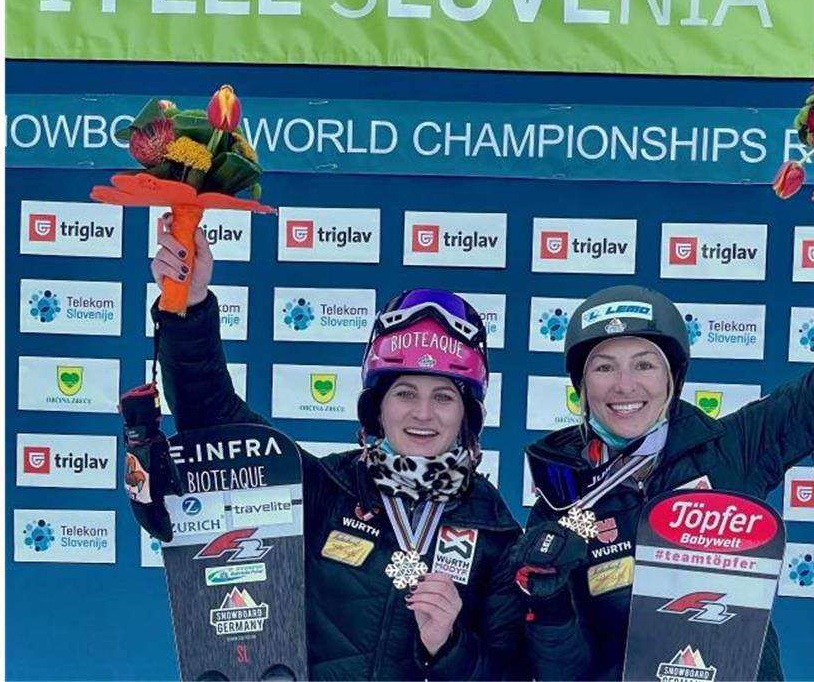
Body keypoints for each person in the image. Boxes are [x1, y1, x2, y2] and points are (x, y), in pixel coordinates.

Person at [512, 150, 814, 681]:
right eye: (603, 367)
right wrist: (546, 606)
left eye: (644, 364)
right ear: (581, 386)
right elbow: (561, 670)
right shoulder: (560, 495)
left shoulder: (734, 447)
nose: (625, 385)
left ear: (672, 379)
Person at [126, 216, 527, 681]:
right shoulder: (324, 487)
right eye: (404, 393)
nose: (423, 413)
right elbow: (212, 418)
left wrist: (450, 645)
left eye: (443, 397)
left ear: (466, 414)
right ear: (377, 407)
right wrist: (188, 305)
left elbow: (513, 673)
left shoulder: (494, 529)